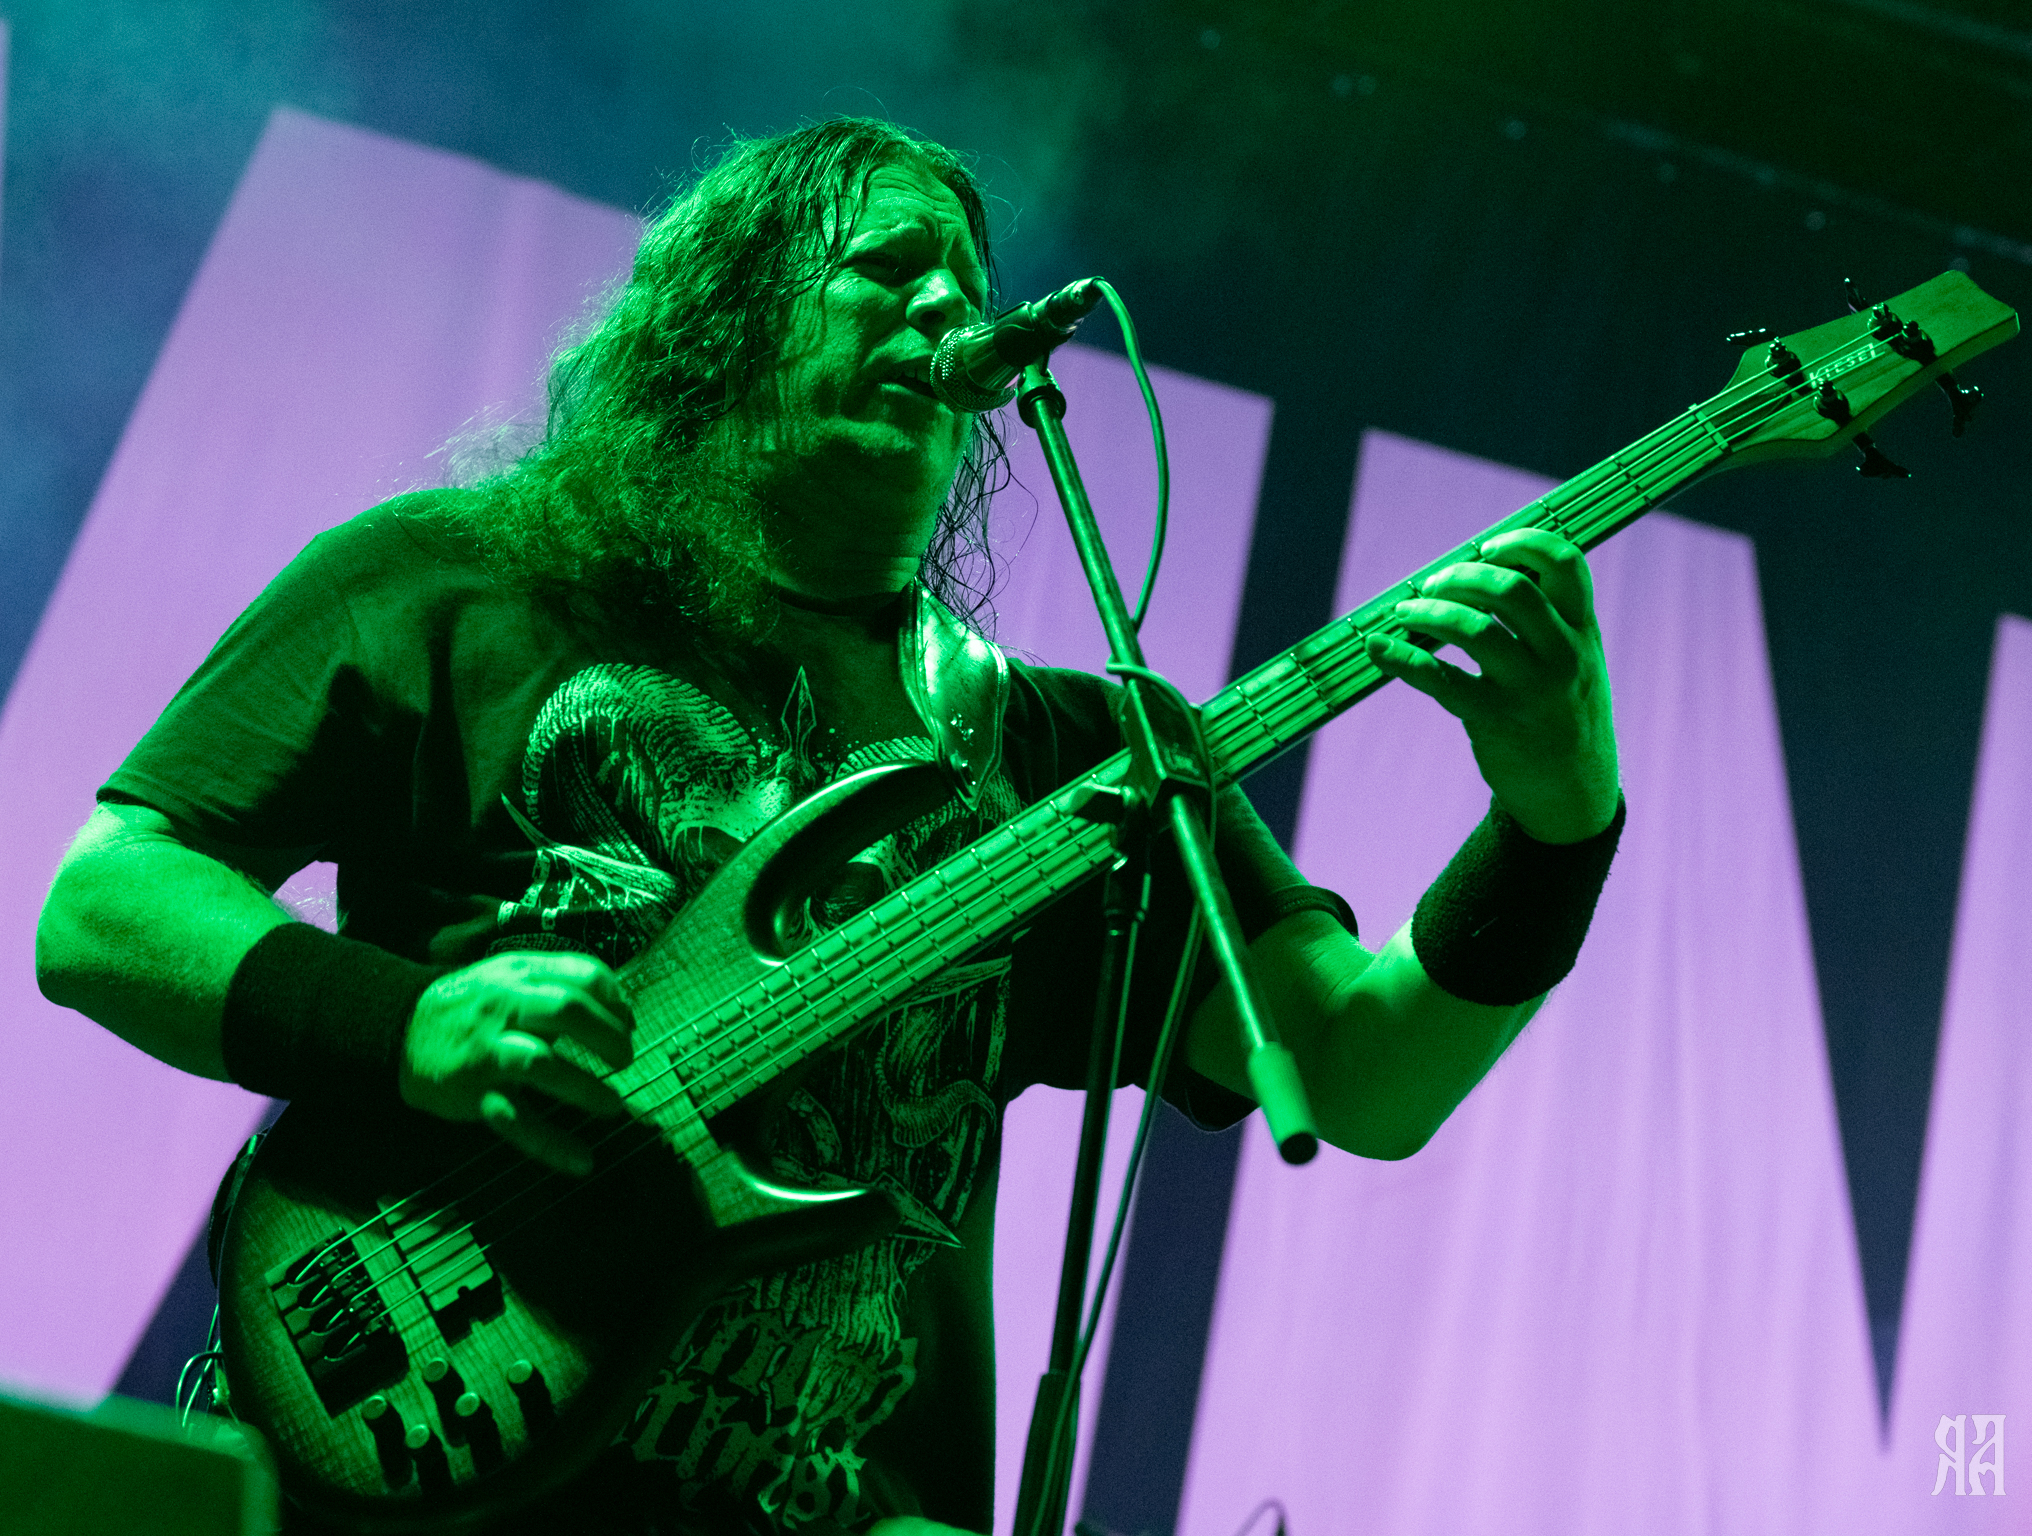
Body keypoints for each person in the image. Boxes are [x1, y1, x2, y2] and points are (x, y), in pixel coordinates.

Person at [35, 118, 1622, 1535]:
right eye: (887, 267)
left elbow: (1360, 1073)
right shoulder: (454, 580)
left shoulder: (1074, 755)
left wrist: (1556, 821)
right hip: (432, 1434)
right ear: (726, 314)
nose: (948, 308)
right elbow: (106, 904)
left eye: (969, 284)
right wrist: (408, 1025)